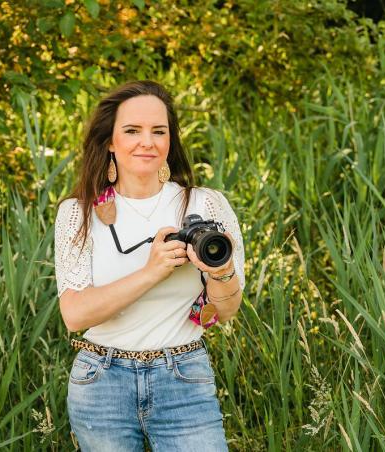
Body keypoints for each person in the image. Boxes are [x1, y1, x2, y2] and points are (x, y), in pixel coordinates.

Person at [53, 80, 245, 451]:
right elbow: (75, 315)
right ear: (110, 140)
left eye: (159, 131)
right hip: (101, 381)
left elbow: (227, 309)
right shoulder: (77, 213)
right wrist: (152, 271)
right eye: (132, 131)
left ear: (170, 139)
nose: (147, 141)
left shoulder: (204, 205)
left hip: (184, 374)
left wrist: (218, 271)